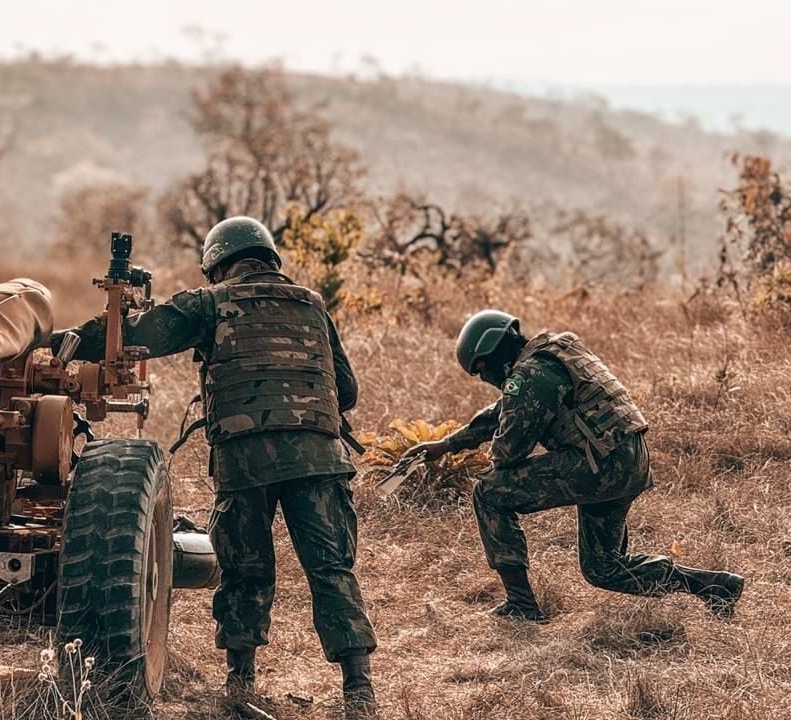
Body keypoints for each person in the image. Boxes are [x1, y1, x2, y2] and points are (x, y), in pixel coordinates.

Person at [52, 216, 377, 717]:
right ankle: (358, 689)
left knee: (245, 569)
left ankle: (240, 679)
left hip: (245, 460)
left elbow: (133, 335)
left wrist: (61, 341)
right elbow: (348, 390)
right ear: (269, 258)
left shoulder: (210, 303)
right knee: (331, 569)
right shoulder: (312, 303)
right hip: (318, 457)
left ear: (216, 265)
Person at [403, 309, 744, 622]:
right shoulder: (555, 350)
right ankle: (712, 585)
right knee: (603, 568)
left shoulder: (531, 375)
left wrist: (493, 461)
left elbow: (508, 452)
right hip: (628, 460)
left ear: (493, 351)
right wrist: (447, 445)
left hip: (601, 467)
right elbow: (505, 408)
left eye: (480, 368)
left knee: (490, 493)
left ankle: (522, 605)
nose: (482, 377)